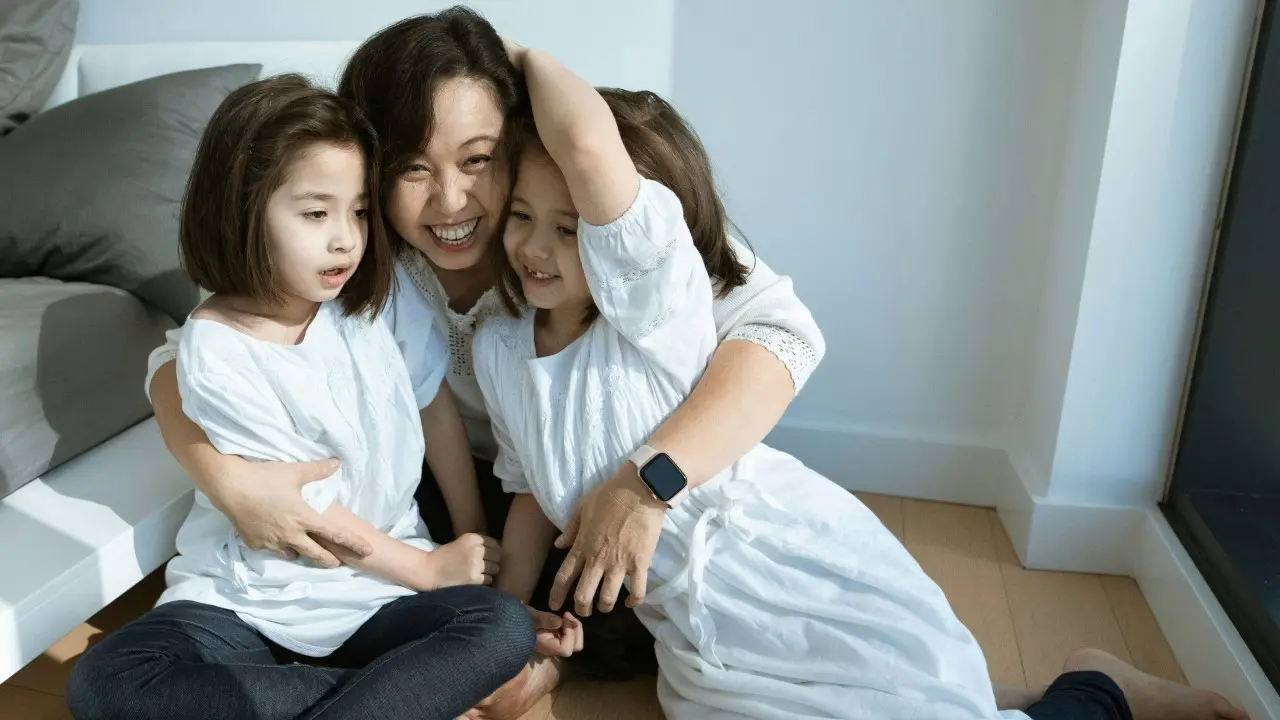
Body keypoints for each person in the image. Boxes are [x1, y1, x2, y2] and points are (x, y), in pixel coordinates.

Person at [470, 40, 1252, 720]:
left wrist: (516, 55)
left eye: (571, 229)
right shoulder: (501, 351)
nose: (537, 247)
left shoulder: (654, 313)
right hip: (700, 647)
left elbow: (587, 149)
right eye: (520, 217)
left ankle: (1097, 694)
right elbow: (532, 491)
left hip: (787, 572)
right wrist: (510, 625)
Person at [140, 4, 824, 689]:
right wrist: (225, 478)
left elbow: (781, 334)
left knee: (627, 617)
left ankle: (507, 671)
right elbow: (187, 355)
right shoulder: (347, 248)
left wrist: (647, 483)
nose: (451, 202)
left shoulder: (585, 221)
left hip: (595, 490)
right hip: (440, 496)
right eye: (411, 168)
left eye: (479, 160)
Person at [65, 74, 532, 720]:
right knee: (107, 681)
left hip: (380, 596)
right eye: (316, 214)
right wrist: (427, 573)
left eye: (359, 212)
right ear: (243, 211)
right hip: (251, 602)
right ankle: (401, 704)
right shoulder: (217, 345)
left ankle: (395, 701)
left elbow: (433, 405)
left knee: (502, 626)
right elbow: (305, 513)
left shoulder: (378, 297)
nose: (345, 238)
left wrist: (467, 545)